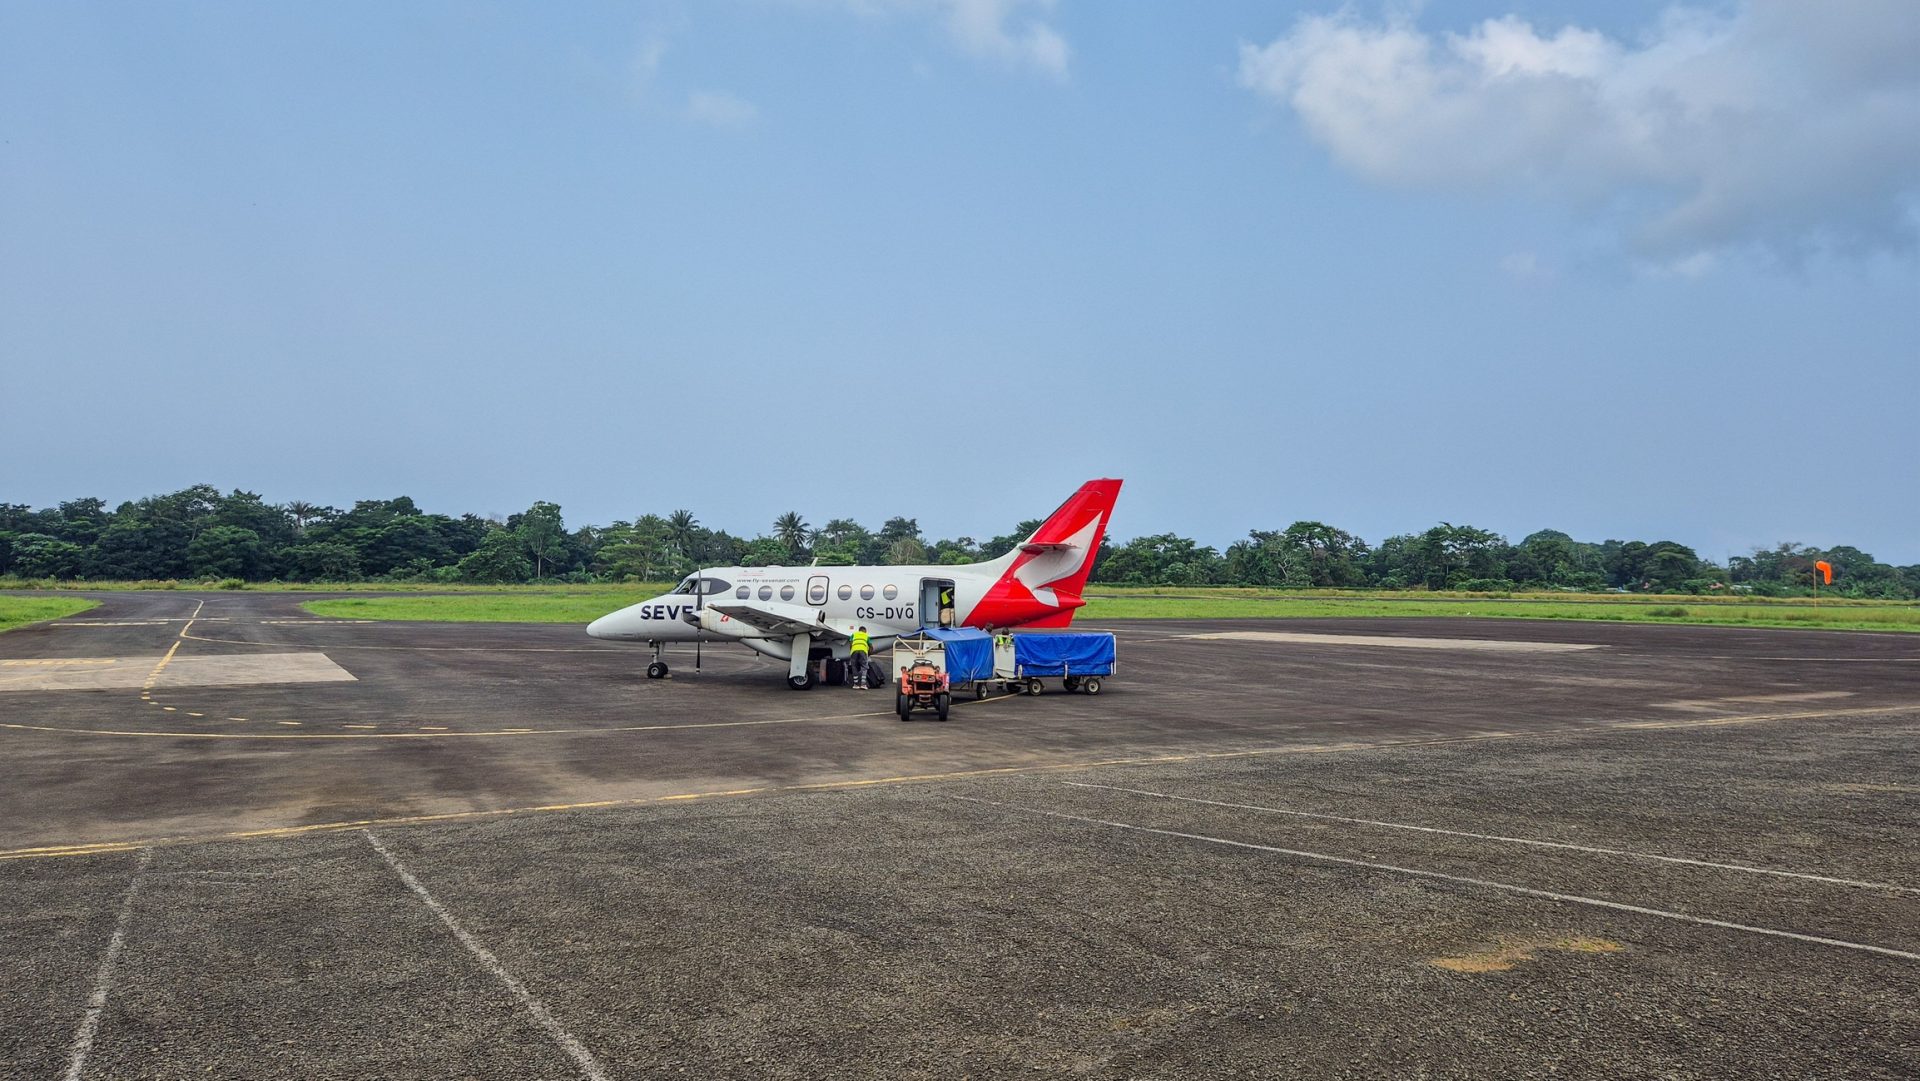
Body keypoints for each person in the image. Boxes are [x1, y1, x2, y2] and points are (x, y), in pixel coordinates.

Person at [849, 625, 872, 689]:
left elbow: (850, 643)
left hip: (854, 651)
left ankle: (855, 684)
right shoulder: (866, 636)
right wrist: (869, 654)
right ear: (864, 630)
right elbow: (871, 646)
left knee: (854, 666)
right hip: (863, 651)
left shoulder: (853, 634)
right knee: (865, 667)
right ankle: (863, 684)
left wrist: (851, 651)